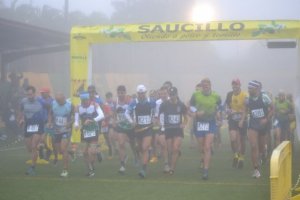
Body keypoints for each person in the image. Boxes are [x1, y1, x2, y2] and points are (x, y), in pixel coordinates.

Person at [189, 78, 221, 180]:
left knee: (207, 147)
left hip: (210, 122)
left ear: (210, 85)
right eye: (204, 85)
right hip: (199, 123)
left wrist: (219, 113)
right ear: (201, 86)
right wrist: (196, 112)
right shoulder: (196, 95)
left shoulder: (216, 95)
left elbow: (220, 106)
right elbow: (191, 105)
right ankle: (204, 159)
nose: (205, 86)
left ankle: (206, 170)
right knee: (202, 146)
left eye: (207, 84)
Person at [242, 80, 273, 178]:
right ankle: (256, 169)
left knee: (261, 148)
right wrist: (242, 119)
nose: (249, 90)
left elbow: (272, 108)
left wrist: (266, 119)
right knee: (253, 146)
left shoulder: (264, 97)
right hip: (253, 124)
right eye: (248, 88)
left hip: (263, 124)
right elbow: (244, 108)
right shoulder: (247, 98)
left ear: (256, 88)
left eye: (250, 88)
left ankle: (264, 152)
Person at [125, 84, 156, 178]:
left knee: (145, 147)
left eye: (143, 93)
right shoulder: (134, 102)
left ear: (145, 93)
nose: (141, 95)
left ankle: (143, 169)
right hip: (138, 129)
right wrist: (131, 121)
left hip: (148, 128)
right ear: (137, 93)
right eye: (139, 93)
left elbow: (157, 110)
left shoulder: (151, 101)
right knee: (140, 148)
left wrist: (155, 118)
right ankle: (145, 156)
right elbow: (127, 113)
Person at [74, 92, 104, 177]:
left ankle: (91, 170)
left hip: (94, 130)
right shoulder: (77, 107)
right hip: (85, 131)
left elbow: (102, 115)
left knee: (91, 152)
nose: (85, 103)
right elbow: (76, 120)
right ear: (81, 100)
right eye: (83, 101)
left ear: (89, 100)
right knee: (84, 152)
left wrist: (92, 120)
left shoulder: (95, 105)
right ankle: (90, 167)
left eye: (86, 101)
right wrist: (76, 125)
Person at [159, 87, 188, 175]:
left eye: (173, 95)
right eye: (170, 95)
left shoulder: (181, 105)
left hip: (178, 130)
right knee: (170, 149)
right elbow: (159, 115)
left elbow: (186, 117)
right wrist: (160, 123)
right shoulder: (164, 104)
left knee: (175, 148)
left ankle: (172, 168)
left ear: (177, 94)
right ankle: (170, 164)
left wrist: (184, 123)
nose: (172, 96)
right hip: (168, 129)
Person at [18, 86, 44, 176]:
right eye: (28, 94)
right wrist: (21, 119)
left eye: (31, 94)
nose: (29, 96)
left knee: (33, 146)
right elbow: (21, 111)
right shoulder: (23, 101)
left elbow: (49, 109)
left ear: (34, 93)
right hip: (28, 125)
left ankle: (32, 167)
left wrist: (48, 121)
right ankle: (40, 148)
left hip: (38, 124)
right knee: (29, 148)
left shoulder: (40, 101)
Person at [48, 92, 74, 177]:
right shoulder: (53, 104)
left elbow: (74, 116)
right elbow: (50, 113)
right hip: (57, 130)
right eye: (57, 100)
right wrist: (49, 122)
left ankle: (65, 170)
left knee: (63, 149)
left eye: (59, 100)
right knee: (60, 151)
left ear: (64, 98)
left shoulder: (70, 105)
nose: (58, 102)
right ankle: (70, 152)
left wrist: (70, 123)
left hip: (66, 130)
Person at [225, 79, 248, 169]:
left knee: (242, 140)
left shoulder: (245, 95)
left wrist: (242, 120)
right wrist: (230, 111)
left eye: (236, 84)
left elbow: (246, 109)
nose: (235, 86)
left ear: (240, 85)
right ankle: (235, 155)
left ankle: (241, 158)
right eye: (233, 85)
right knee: (233, 138)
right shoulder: (229, 94)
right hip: (233, 119)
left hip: (243, 119)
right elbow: (226, 107)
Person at [113, 85, 136, 174]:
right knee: (121, 144)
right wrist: (114, 120)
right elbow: (114, 113)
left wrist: (133, 121)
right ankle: (122, 165)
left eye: (122, 93)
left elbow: (134, 112)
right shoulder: (116, 102)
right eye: (119, 93)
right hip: (121, 126)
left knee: (133, 144)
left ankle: (135, 156)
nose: (120, 94)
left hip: (130, 126)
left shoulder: (130, 101)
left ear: (125, 93)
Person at [154, 86, 170, 172]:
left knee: (171, 147)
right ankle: (166, 164)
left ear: (168, 93)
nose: (163, 95)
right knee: (163, 145)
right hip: (162, 127)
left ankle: (170, 160)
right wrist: (159, 123)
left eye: (165, 93)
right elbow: (157, 116)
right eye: (161, 94)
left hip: (172, 127)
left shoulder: (172, 101)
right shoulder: (157, 103)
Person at [37, 87, 53, 161]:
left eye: (43, 92)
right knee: (40, 139)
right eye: (41, 92)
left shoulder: (52, 101)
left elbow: (49, 107)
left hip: (48, 122)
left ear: (48, 93)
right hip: (39, 121)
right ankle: (45, 151)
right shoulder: (39, 99)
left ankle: (47, 151)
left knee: (44, 139)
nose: (42, 94)